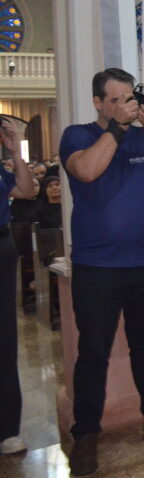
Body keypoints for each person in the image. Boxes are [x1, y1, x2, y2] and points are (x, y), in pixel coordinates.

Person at [59, 68, 144, 475]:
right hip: (97, 266)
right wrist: (118, 128)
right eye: (116, 100)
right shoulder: (79, 134)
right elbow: (86, 171)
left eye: (129, 98)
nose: (126, 106)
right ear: (99, 103)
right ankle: (86, 434)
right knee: (94, 353)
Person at [1, 120, 32, 456]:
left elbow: (25, 190)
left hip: (1, 248)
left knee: (4, 338)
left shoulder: (0, 170)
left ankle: (7, 428)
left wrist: (16, 153)